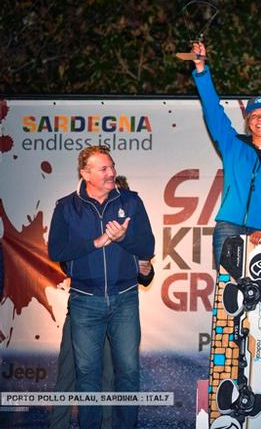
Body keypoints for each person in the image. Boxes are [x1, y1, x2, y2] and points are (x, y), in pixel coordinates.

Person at [48, 145, 155, 429]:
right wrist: (95, 243)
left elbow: (148, 246)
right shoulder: (66, 207)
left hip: (124, 300)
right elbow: (57, 251)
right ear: (85, 174)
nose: (111, 173)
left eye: (112, 166)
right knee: (86, 375)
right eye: (103, 169)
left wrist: (122, 238)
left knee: (128, 373)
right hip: (84, 302)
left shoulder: (131, 201)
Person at [190, 41, 261, 267]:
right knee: (227, 297)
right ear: (248, 122)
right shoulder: (233, 145)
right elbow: (213, 110)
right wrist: (201, 70)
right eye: (255, 115)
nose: (260, 119)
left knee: (260, 297)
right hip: (228, 227)